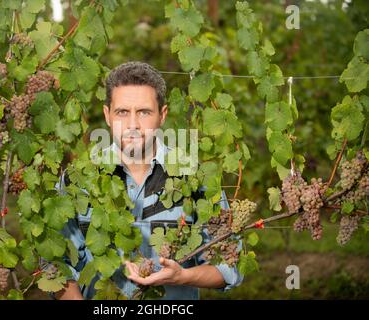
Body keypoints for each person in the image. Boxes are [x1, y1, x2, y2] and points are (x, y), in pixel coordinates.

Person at [53, 61, 243, 300]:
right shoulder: (76, 179)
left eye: (144, 112)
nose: (132, 124)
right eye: (122, 112)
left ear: (162, 116)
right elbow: (55, 264)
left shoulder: (195, 177)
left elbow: (230, 267)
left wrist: (182, 276)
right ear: (107, 115)